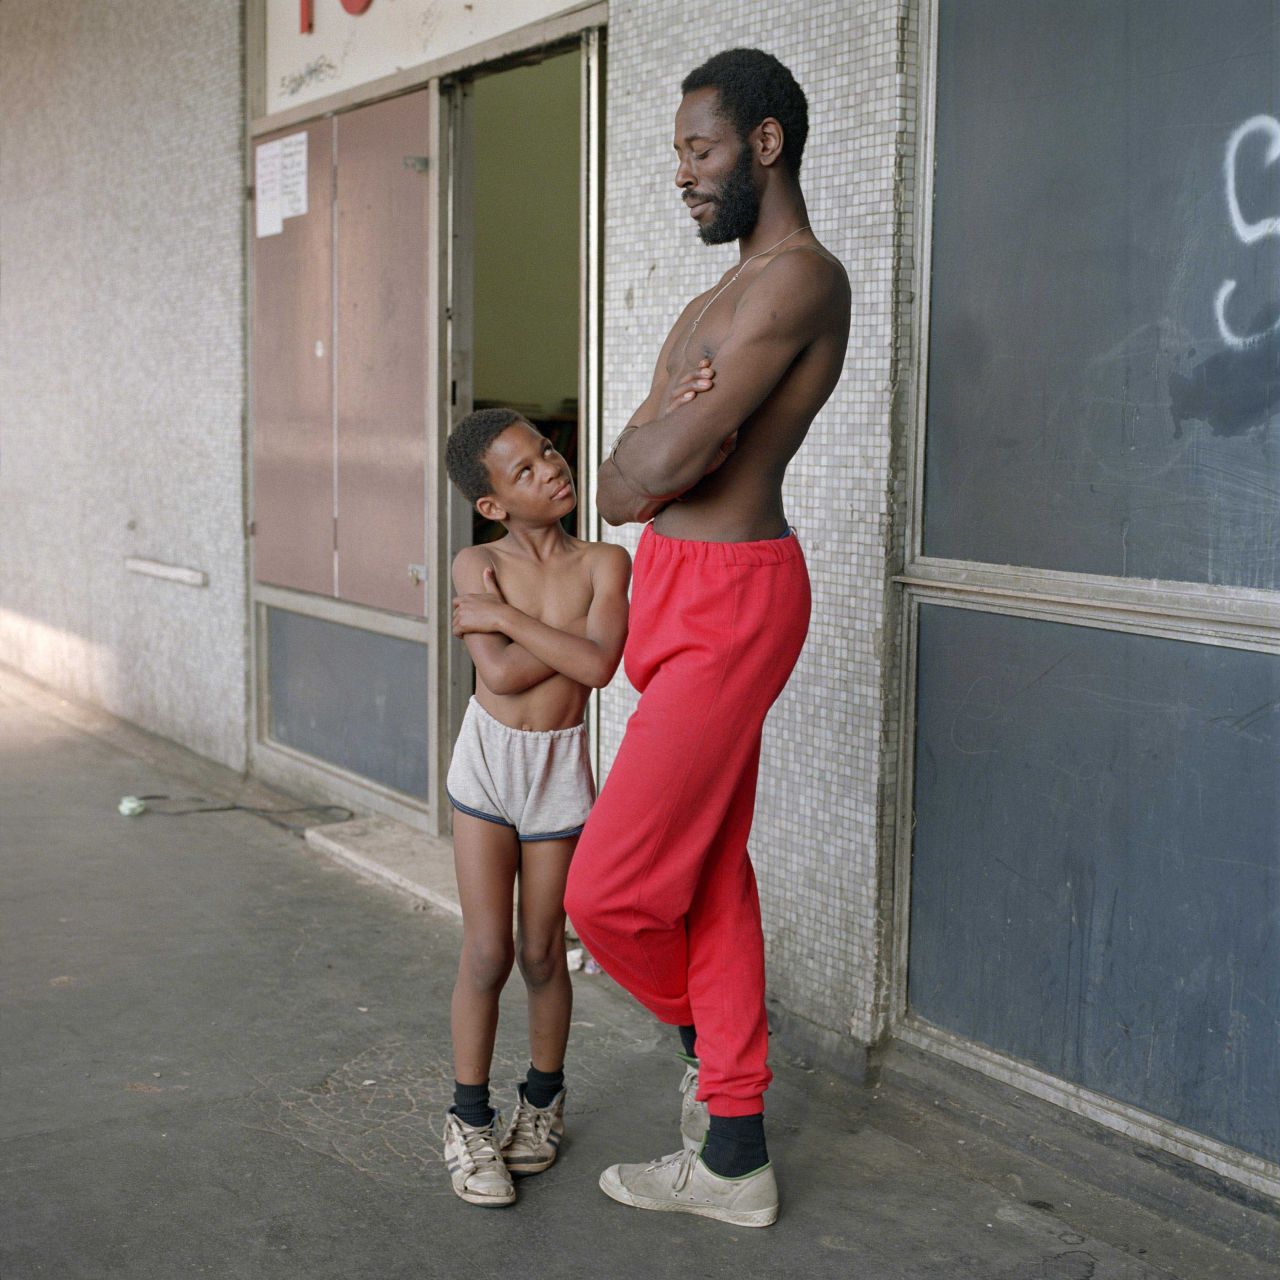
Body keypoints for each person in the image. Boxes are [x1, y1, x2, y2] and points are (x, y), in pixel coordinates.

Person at [563, 47, 851, 1228]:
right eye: (676, 152)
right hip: (674, 589)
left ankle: (712, 1058)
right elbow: (617, 469)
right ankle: (733, 1151)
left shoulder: (798, 284)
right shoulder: (704, 302)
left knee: (607, 889)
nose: (680, 174)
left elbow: (646, 472)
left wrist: (654, 446)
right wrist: (645, 450)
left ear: (764, 145)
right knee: (709, 870)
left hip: (732, 594)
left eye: (699, 149)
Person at [440, 407, 631, 1206]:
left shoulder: (606, 562)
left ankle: (543, 1104)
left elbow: (596, 667)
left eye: (548, 453)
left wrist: (510, 621)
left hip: (558, 772)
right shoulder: (471, 564)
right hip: (487, 767)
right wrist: (539, 643)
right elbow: (506, 679)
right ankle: (468, 1120)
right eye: (524, 471)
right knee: (486, 955)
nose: (550, 470)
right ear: (493, 506)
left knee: (543, 952)